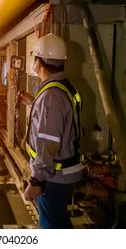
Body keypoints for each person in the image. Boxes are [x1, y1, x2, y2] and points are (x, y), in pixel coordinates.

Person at [17, 33, 85, 229]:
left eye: (34, 57)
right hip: (65, 170)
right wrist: (34, 102)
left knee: (52, 226)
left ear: (38, 61)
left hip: (54, 176)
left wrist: (36, 180)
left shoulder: (50, 96)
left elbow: (48, 142)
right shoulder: (62, 87)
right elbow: (59, 121)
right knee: (59, 222)